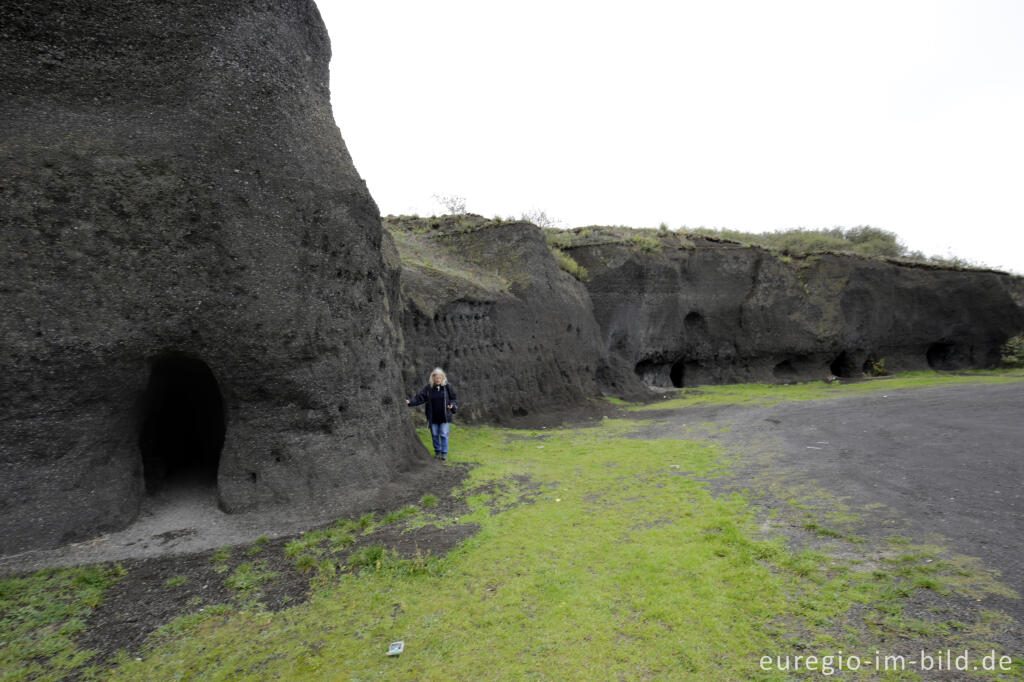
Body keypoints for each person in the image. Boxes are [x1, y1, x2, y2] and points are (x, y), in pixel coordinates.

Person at [405, 367, 458, 461]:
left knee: (444, 434)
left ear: (442, 378)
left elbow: (454, 399)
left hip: (445, 416)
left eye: (439, 377)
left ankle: (444, 453)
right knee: (434, 434)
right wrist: (410, 402)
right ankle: (437, 451)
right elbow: (420, 397)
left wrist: (452, 405)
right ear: (432, 378)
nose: (437, 379)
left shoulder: (447, 387)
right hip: (433, 416)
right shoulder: (429, 388)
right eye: (436, 377)